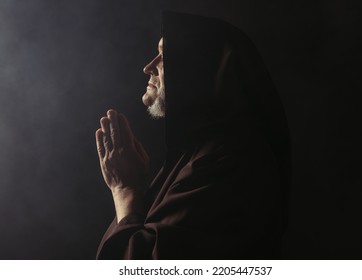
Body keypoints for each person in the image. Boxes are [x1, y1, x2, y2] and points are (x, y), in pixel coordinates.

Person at [95, 11, 290, 259]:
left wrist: (124, 190)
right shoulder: (200, 154)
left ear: (198, 70)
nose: (149, 67)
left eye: (164, 56)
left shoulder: (230, 160)